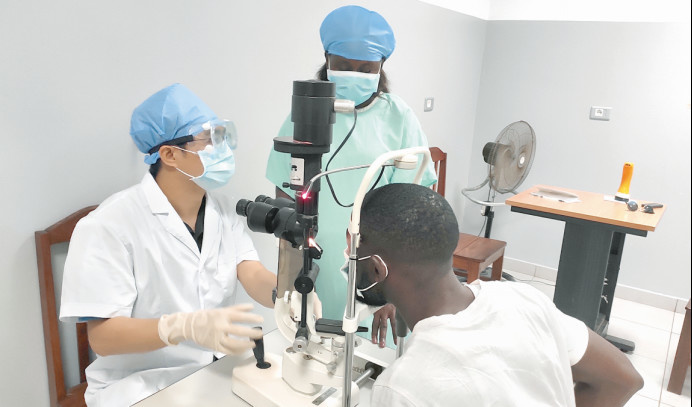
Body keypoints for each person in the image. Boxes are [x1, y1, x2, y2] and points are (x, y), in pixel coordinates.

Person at [59, 83, 277, 407]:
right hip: (141, 386)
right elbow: (102, 338)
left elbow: (251, 272)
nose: (224, 149)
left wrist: (289, 294)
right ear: (170, 154)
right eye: (210, 140)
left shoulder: (223, 210)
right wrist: (181, 326)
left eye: (223, 136)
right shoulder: (108, 226)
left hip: (214, 373)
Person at [349, 183, 644, 406]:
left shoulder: (401, 388)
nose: (349, 257)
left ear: (378, 270)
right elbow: (623, 380)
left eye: (354, 251)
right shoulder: (526, 299)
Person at [265, 5, 437, 349]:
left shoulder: (398, 117)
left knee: (371, 367)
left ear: (380, 67)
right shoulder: (305, 113)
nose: (353, 74)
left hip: (380, 268)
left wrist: (397, 290)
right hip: (314, 261)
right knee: (313, 347)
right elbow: (283, 194)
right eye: (343, 65)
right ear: (327, 58)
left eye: (365, 69)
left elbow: (419, 211)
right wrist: (290, 271)